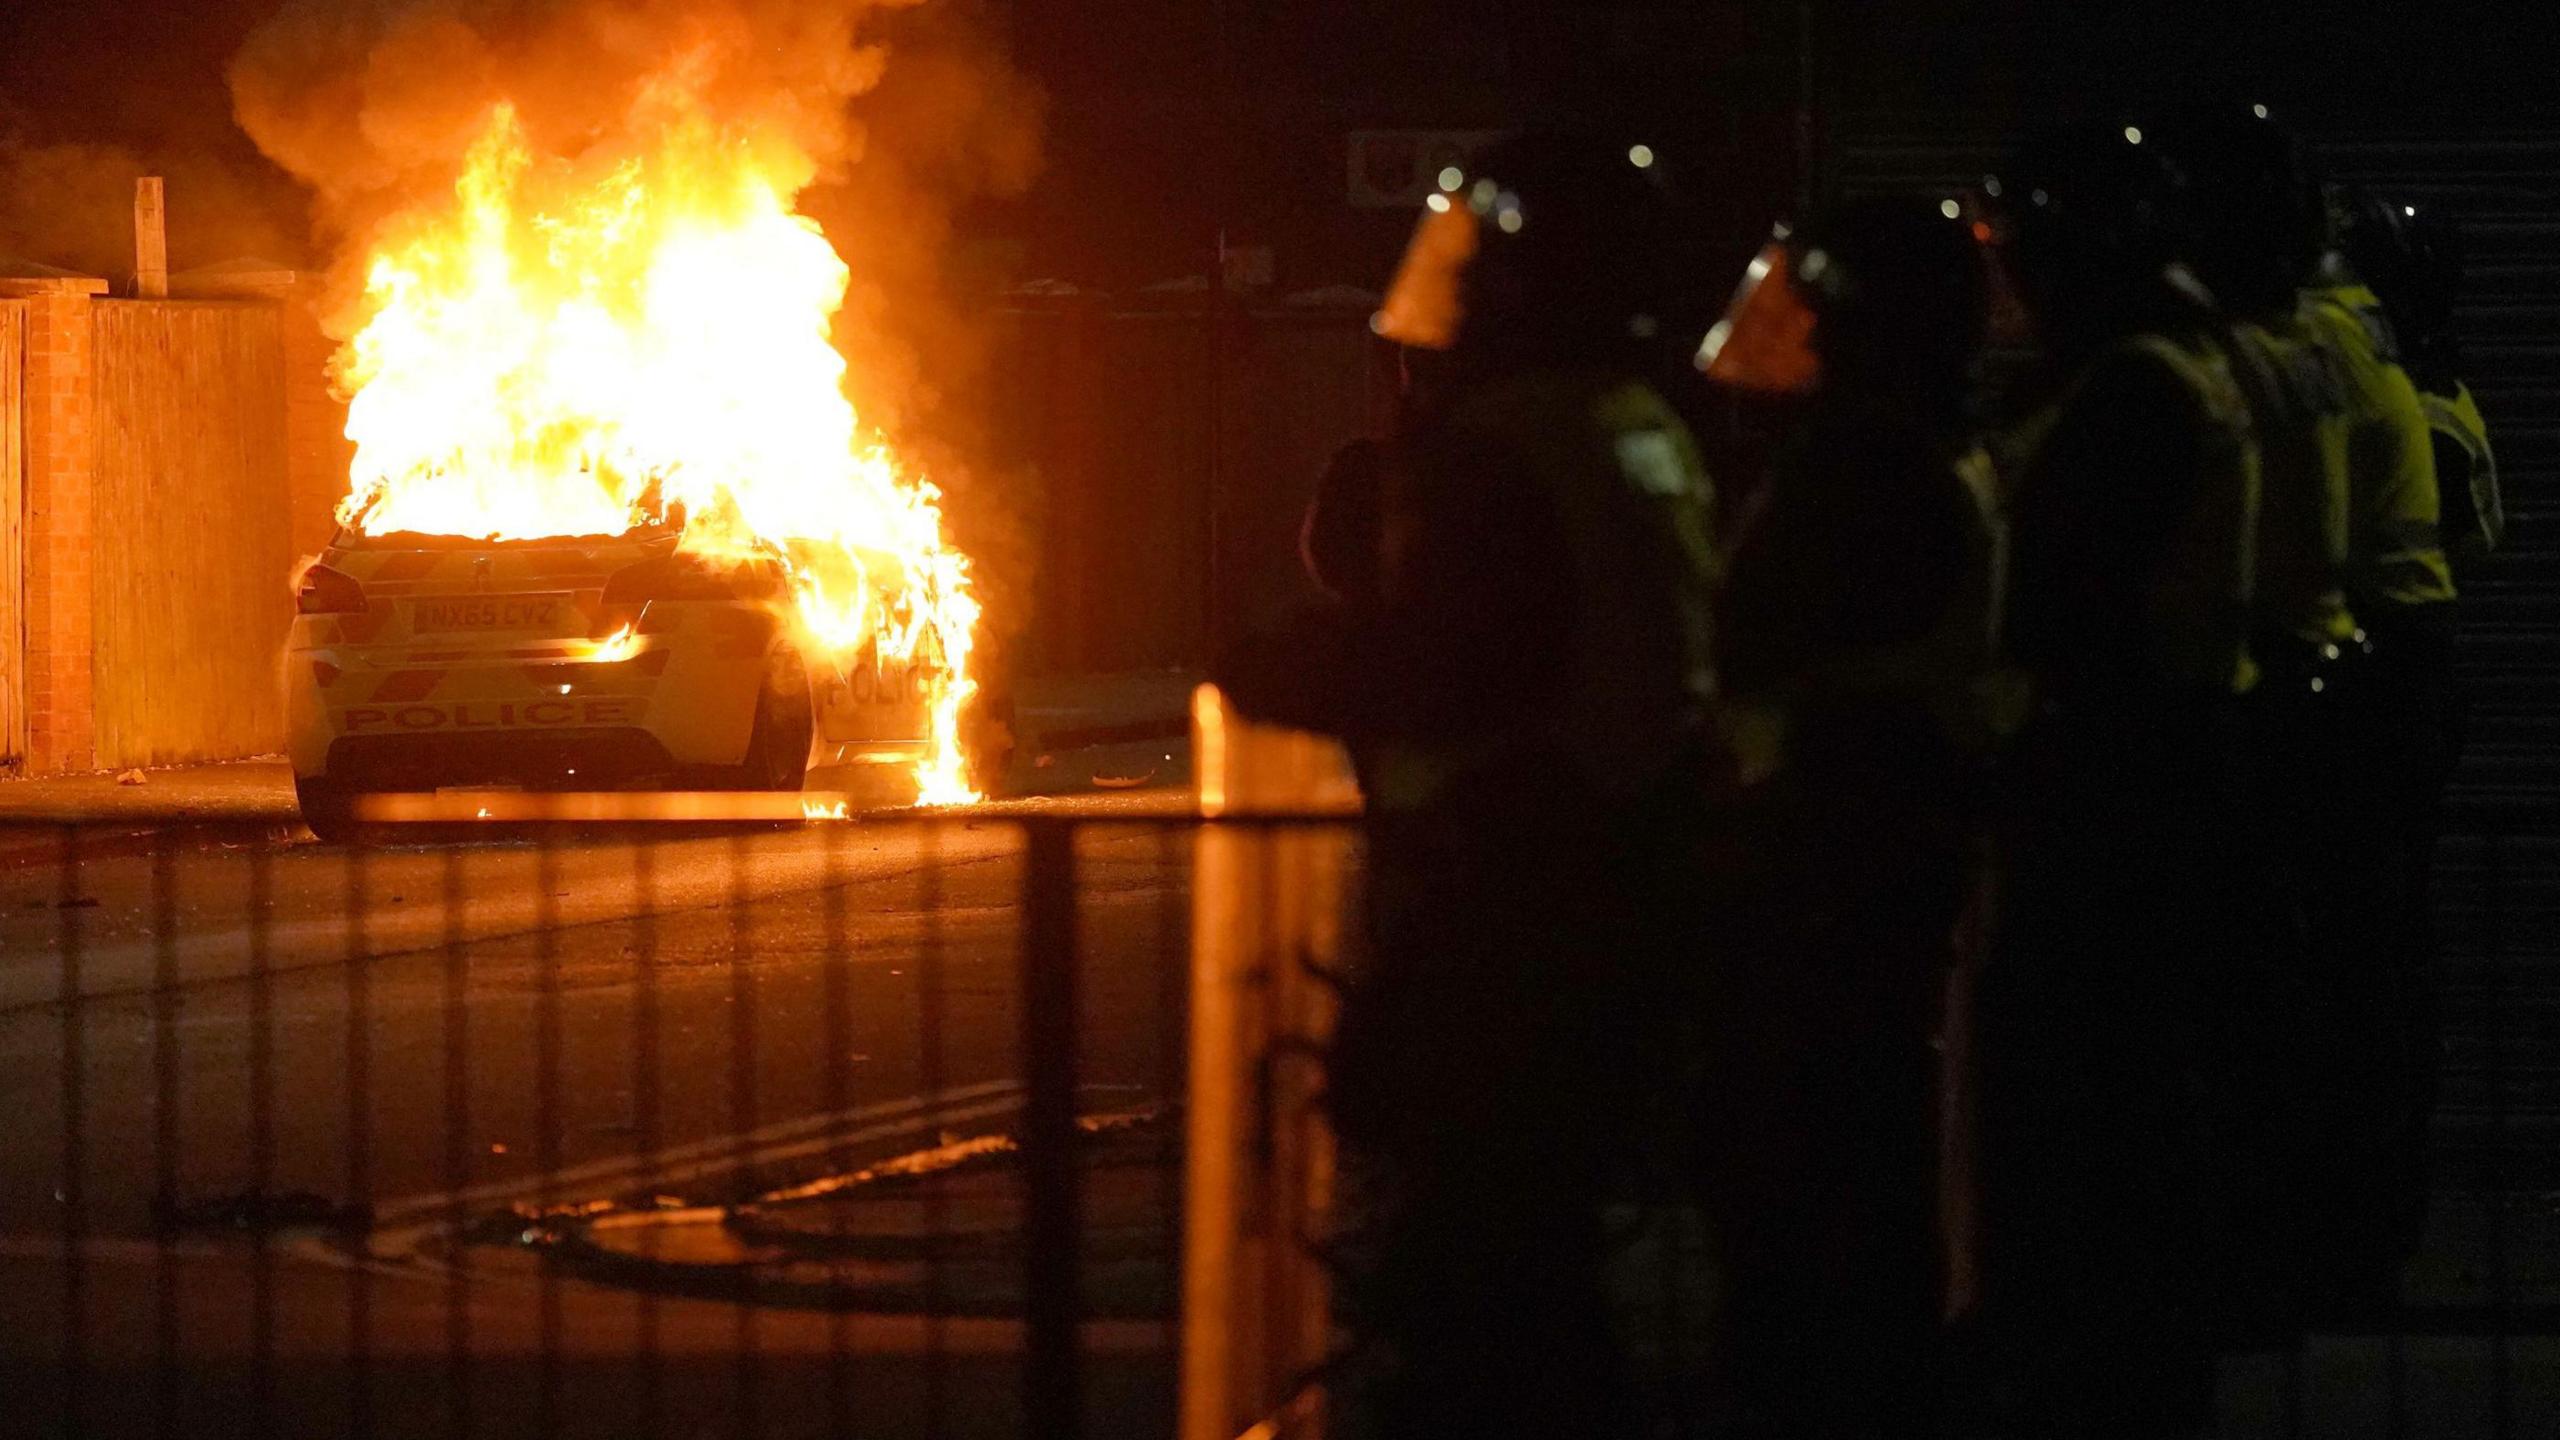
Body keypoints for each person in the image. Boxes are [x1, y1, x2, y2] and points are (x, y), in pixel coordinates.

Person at [1225, 127, 1720, 1440]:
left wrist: (1283, 668)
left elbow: (1453, 662)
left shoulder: (1505, 446)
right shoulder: (1636, 423)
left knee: (1473, 1284)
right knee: (1537, 1274)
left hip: (1509, 894)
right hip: (1620, 869)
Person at [1970, 120, 2268, 1437]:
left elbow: (2056, 599)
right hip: (2150, 767)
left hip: (2112, 782)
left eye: (2019, 254)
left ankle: (2107, 1376)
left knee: (2096, 1099)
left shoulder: (2132, 390)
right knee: (2129, 1095)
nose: (2009, 285)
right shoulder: (2163, 371)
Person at [1694, 195, 2006, 1439]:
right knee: (1869, 1149)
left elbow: (1754, 632)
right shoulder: (1934, 442)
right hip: (1890, 826)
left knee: (1811, 1159)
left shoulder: (1862, 460)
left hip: (1835, 840)